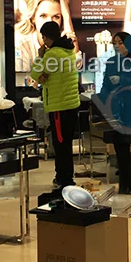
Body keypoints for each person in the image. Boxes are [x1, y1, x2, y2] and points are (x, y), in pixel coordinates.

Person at [30, 20, 81, 189]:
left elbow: (35, 74)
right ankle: (64, 176)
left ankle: (65, 179)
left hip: (59, 105)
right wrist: (43, 76)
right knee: (65, 143)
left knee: (60, 145)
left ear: (46, 37)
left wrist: (40, 56)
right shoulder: (68, 50)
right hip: (71, 104)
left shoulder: (52, 54)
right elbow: (44, 76)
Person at [96, 32, 131, 194]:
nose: (117, 46)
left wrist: (121, 80)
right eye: (115, 43)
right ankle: (127, 184)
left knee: (124, 144)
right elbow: (105, 84)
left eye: (120, 42)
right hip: (115, 107)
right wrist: (102, 100)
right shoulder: (111, 62)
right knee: (119, 146)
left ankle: (127, 184)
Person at [16, 0, 78, 78]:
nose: (49, 22)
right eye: (43, 16)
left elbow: (76, 68)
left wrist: (67, 16)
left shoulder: (62, 41)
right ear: (33, 18)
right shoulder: (20, 43)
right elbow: (23, 80)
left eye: (56, 17)